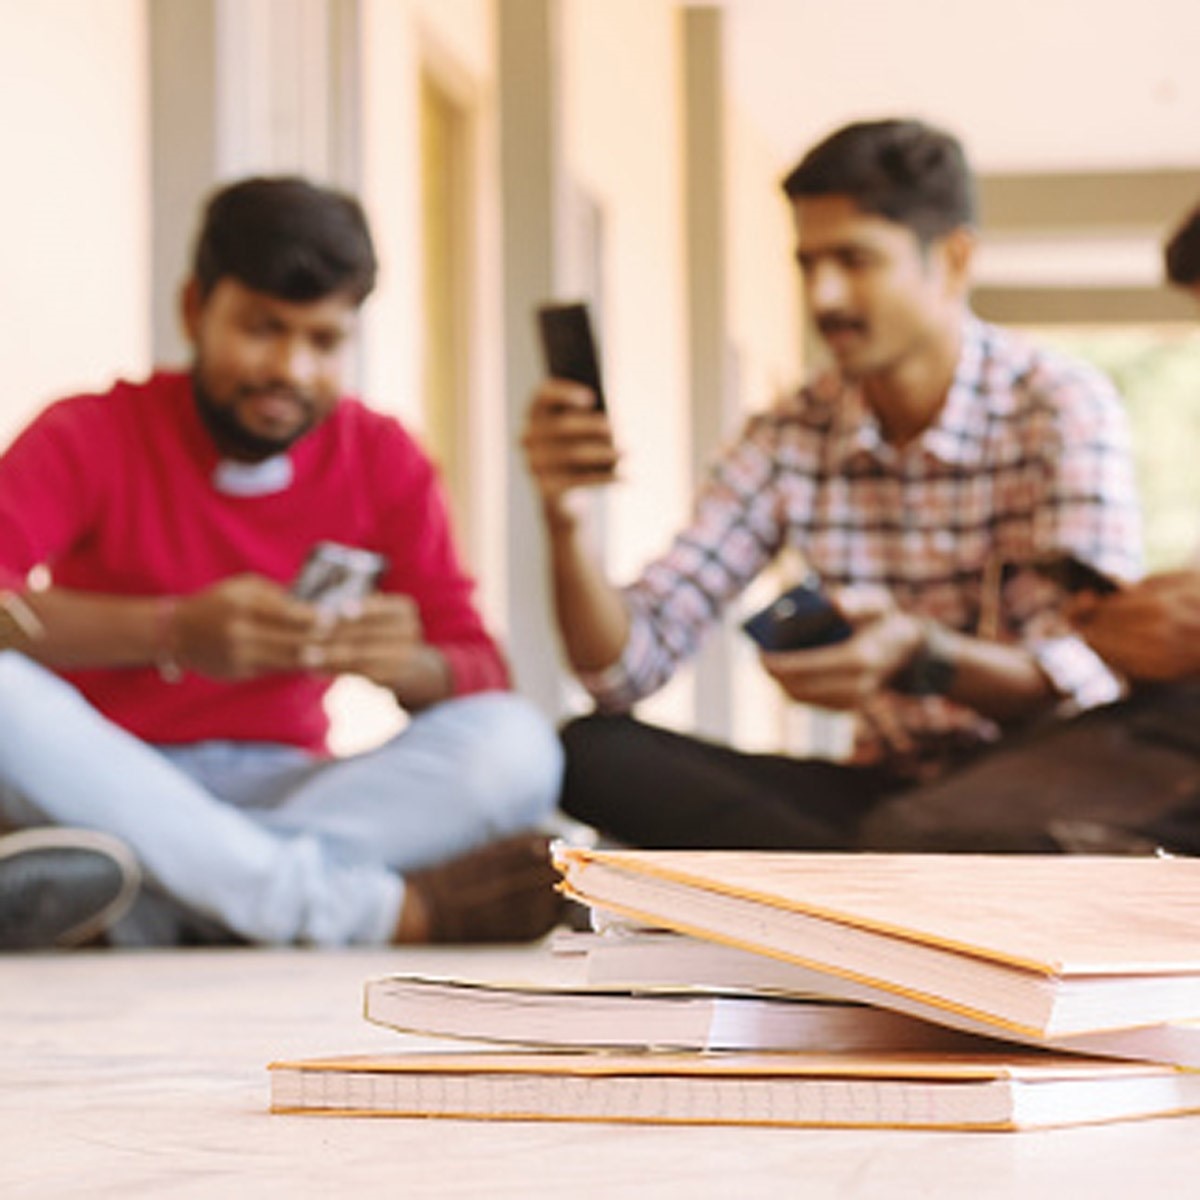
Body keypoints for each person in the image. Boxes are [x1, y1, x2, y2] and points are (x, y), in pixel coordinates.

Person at [521, 117, 1142, 852]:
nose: (825, 297)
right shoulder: (789, 434)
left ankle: (864, 875)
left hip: (1038, 785)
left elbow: (1086, 679)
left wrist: (921, 654)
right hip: (882, 796)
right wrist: (565, 518)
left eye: (855, 260)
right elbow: (622, 669)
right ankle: (879, 874)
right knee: (589, 752)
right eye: (808, 264)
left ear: (953, 259)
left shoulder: (1060, 407)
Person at [0, 175, 565, 949]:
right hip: (107, 776)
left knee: (519, 746)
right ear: (194, 310)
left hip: (292, 791)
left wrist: (403, 664)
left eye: (323, 341)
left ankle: (164, 903)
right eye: (262, 329)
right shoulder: (90, 431)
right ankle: (352, 911)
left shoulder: (383, 458)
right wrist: (171, 631)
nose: (292, 370)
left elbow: (479, 668)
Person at [854, 198, 1200, 855]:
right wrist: (1143, 635)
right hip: (1169, 724)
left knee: (924, 838)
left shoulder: (1061, 403)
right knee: (908, 832)